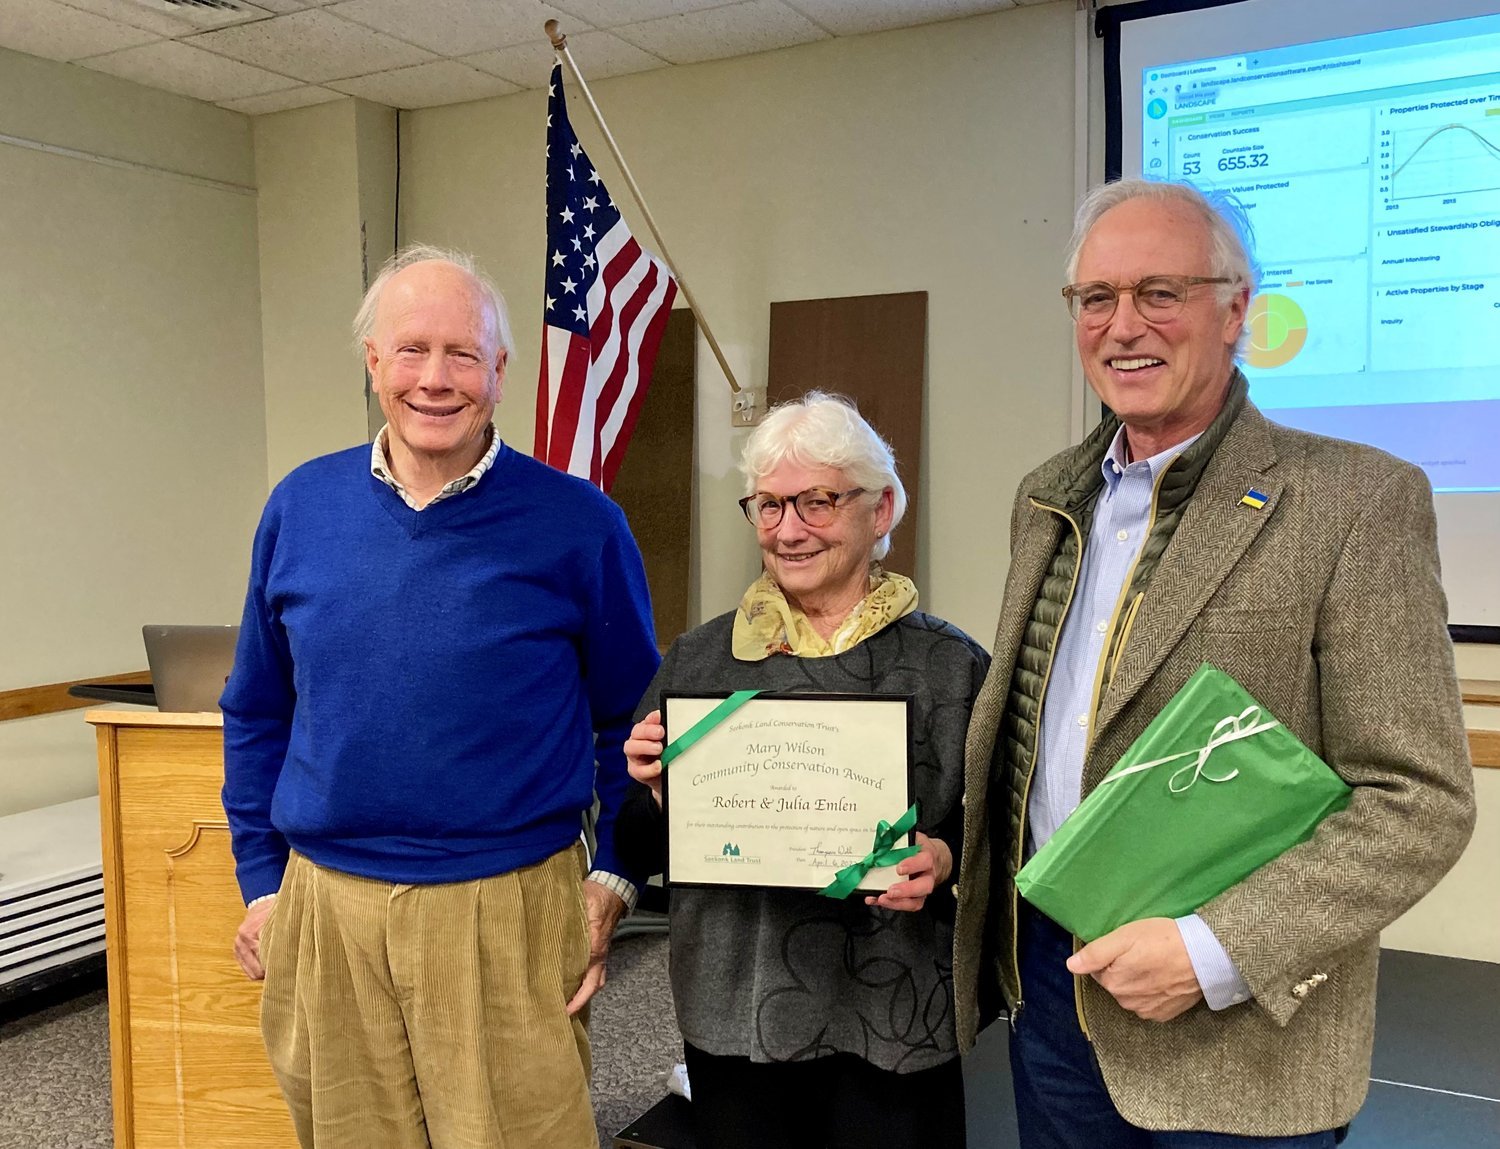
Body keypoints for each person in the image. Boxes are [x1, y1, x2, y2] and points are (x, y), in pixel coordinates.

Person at [951, 178, 1477, 1148]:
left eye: (1161, 291)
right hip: (1052, 1003)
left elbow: (1417, 798)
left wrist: (1214, 950)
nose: (1123, 325)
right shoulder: (1046, 498)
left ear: (1237, 311)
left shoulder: (1355, 499)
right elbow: (1032, 738)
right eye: (1097, 298)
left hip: (1237, 1043)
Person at [220, 244, 659, 1149]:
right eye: (412, 350)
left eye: (463, 354)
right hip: (327, 910)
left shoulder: (579, 524)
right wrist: (263, 882)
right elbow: (258, 710)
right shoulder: (300, 507)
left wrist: (613, 875)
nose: (436, 378)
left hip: (507, 906)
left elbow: (636, 723)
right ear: (374, 362)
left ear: (500, 370)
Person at [619, 392, 989, 1149]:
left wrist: (944, 856)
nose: (788, 529)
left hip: (892, 1009)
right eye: (768, 505)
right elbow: (645, 844)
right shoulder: (701, 658)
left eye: (817, 501)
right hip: (736, 1008)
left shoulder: (950, 666)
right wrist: (658, 794)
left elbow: (1003, 837)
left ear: (880, 509)